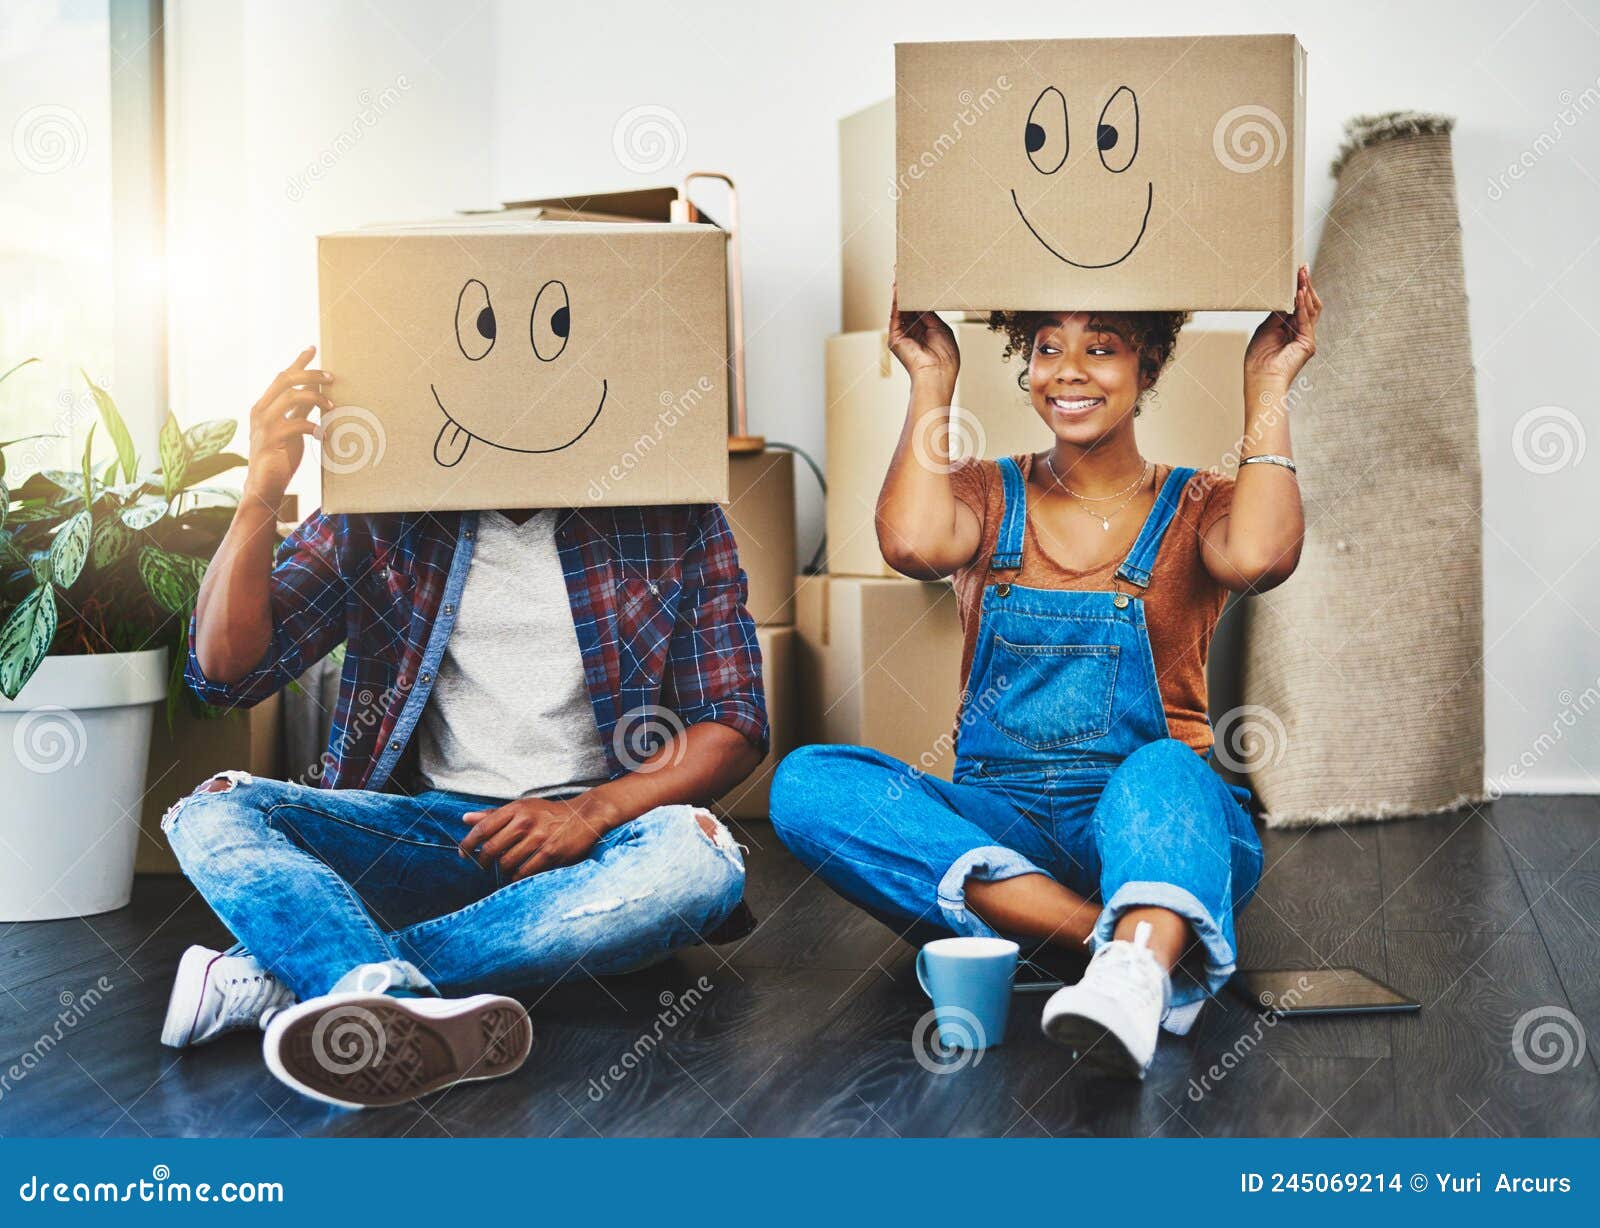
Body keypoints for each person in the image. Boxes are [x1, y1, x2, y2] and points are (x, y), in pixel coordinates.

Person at [159, 347, 767, 1109]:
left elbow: (735, 722)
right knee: (213, 807)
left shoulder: (671, 512)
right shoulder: (381, 509)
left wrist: (589, 812)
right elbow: (225, 671)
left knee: (698, 863)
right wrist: (260, 492)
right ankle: (375, 991)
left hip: (609, 840)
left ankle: (320, 981)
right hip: (437, 834)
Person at [770, 268, 1321, 1078]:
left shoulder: (1200, 503)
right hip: (1003, 828)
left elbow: (1264, 557)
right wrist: (931, 377)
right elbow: (911, 546)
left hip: (1153, 827)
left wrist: (1268, 380)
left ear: (1150, 369)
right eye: (1046, 346)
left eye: (1101, 348)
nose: (1068, 368)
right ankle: (1129, 948)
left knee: (1166, 766)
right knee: (809, 783)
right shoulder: (985, 494)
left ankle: (1124, 959)